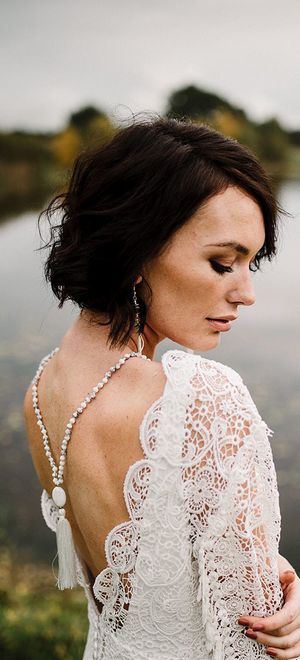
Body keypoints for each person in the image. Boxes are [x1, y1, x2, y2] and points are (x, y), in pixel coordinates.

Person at [23, 117, 300, 659]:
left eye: (251, 263)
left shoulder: (43, 388)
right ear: (136, 247)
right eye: (223, 262)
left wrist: (269, 566)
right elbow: (254, 641)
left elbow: (146, 581)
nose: (246, 293)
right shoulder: (201, 398)